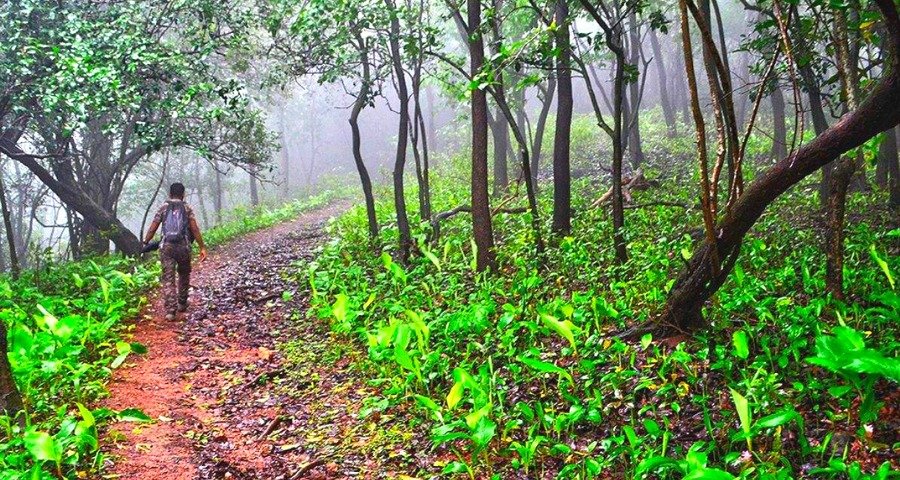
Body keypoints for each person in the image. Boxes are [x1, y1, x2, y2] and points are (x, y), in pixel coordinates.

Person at [144, 183, 208, 320]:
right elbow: (194, 229)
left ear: (170, 194)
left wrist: (146, 242)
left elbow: (153, 228)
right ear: (183, 194)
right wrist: (202, 246)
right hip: (183, 247)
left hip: (167, 247)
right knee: (184, 274)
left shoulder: (163, 207)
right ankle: (182, 303)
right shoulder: (187, 208)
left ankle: (170, 311)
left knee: (168, 278)